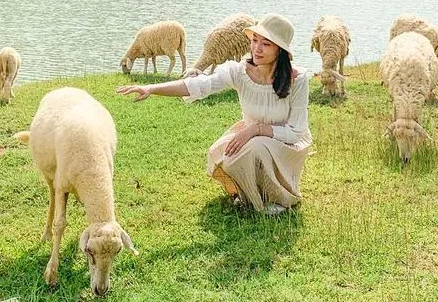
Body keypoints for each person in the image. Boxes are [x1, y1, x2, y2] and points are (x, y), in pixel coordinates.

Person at [116, 13, 310, 216]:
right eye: (254, 41)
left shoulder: (297, 80)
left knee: (254, 148)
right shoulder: (239, 72)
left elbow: (296, 132)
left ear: (280, 50)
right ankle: (249, 195)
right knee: (226, 155)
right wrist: (152, 88)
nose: (257, 49)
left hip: (285, 144)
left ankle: (277, 197)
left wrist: (257, 130)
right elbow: (199, 84)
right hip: (250, 136)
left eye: (266, 44)